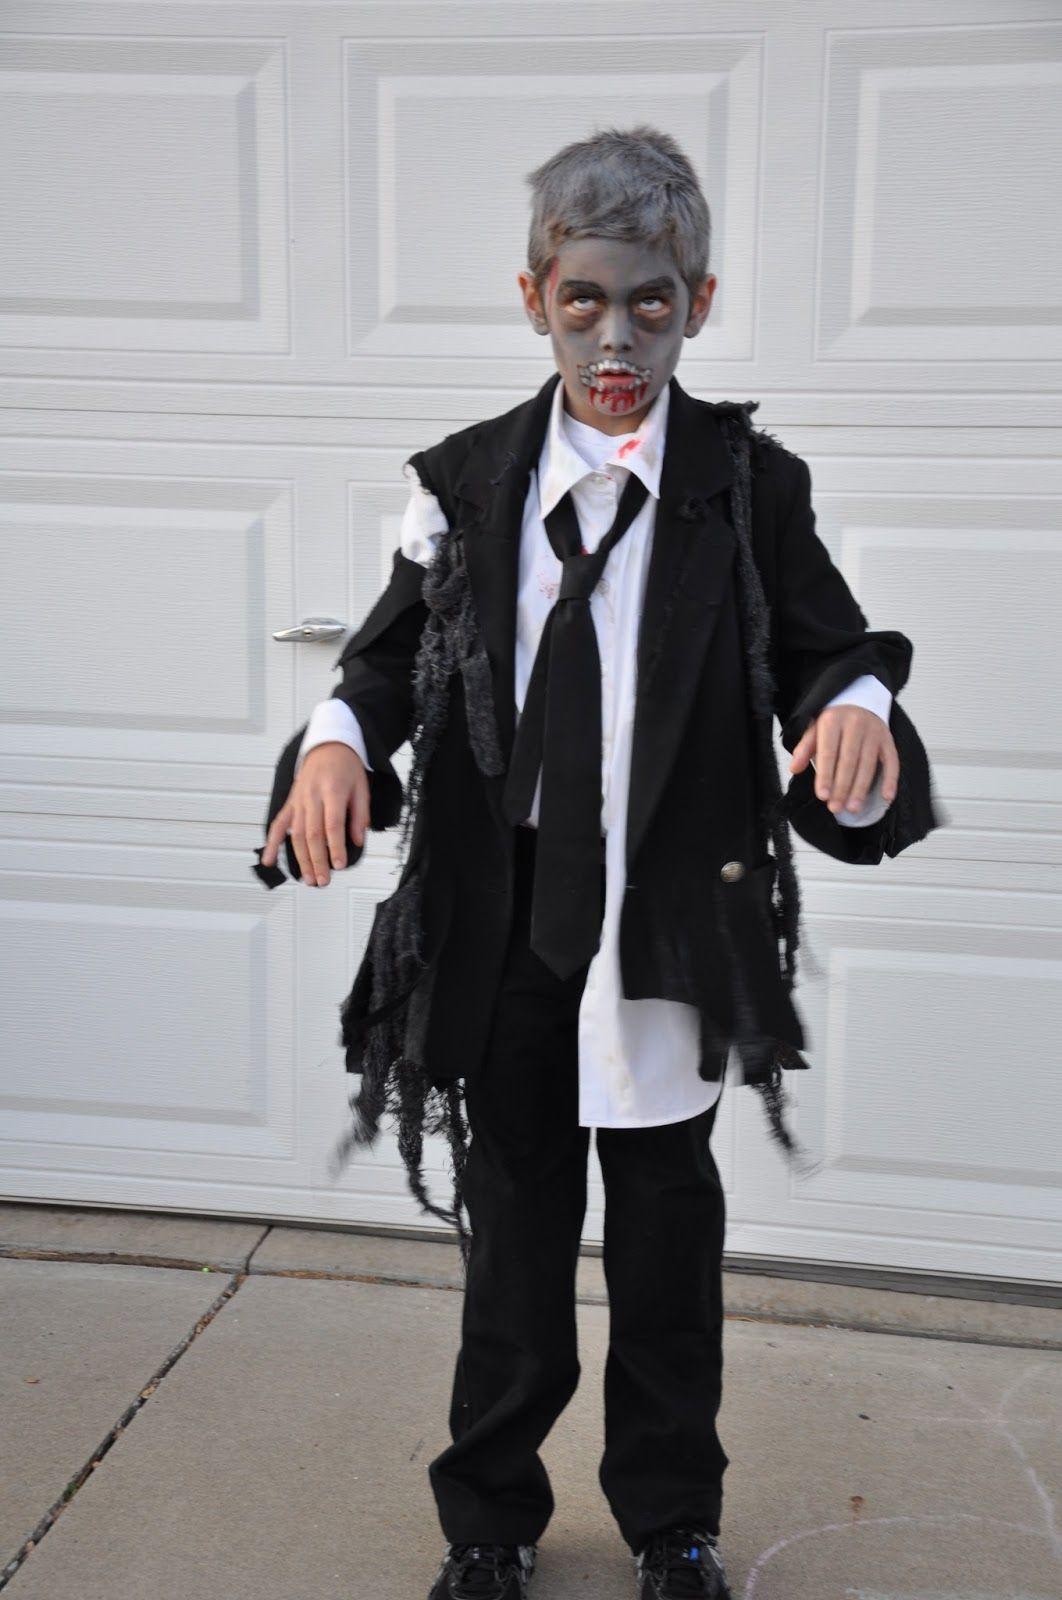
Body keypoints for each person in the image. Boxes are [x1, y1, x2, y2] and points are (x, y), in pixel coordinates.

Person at [252, 126, 941, 1600]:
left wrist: (853, 709)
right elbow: (383, 668)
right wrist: (333, 748)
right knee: (511, 1244)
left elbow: (830, 648)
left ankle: (671, 1520)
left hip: (663, 926)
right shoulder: (466, 485)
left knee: (665, 1241)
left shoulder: (745, 487)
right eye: (584, 302)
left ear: (698, 302)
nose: (616, 340)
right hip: (506, 923)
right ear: (534, 299)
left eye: (651, 303)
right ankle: (488, 1520)